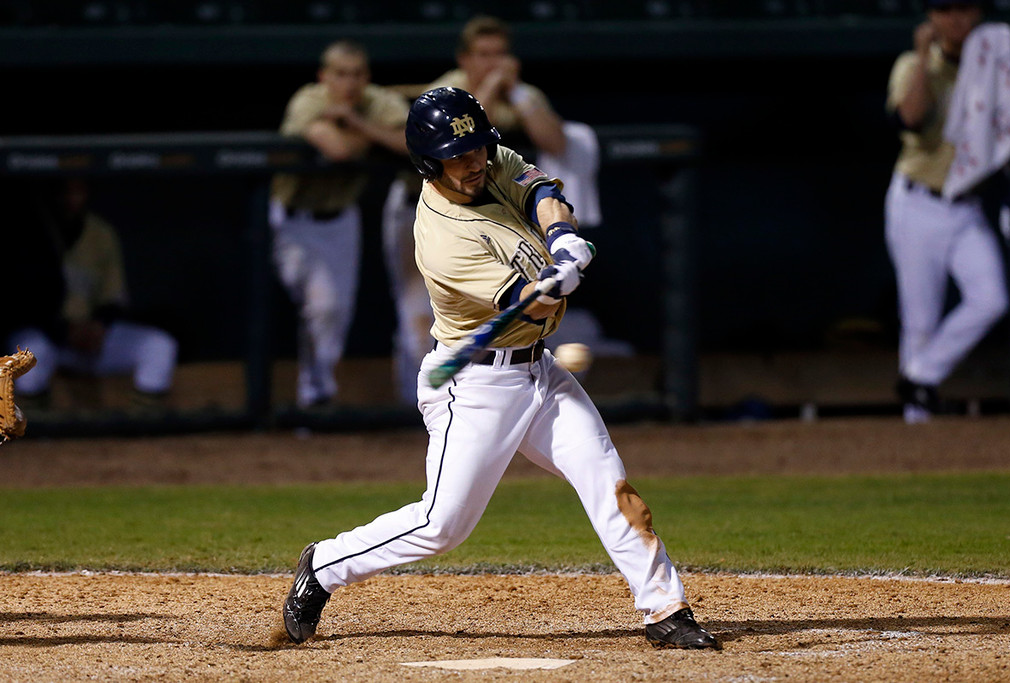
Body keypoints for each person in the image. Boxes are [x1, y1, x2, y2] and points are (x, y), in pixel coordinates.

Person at [282, 87, 719, 651]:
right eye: (457, 156)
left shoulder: (487, 159)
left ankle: (665, 610)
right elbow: (526, 302)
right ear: (427, 161)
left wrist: (562, 239)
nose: (473, 163)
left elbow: (541, 190)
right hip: (477, 385)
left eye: (477, 150)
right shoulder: (442, 238)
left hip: (542, 370)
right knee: (442, 526)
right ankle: (324, 565)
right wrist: (554, 284)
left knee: (608, 483)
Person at [383, 15, 603, 402]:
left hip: (488, 211)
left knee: (499, 301)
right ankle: (407, 403)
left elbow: (555, 142)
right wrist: (488, 88)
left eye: (500, 54)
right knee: (418, 311)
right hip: (425, 212)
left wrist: (515, 92)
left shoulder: (520, 93)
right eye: (483, 55)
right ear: (465, 58)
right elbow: (450, 139)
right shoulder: (443, 94)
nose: (493, 62)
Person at [885, 0, 1009, 424]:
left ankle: (919, 376)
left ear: (979, 14)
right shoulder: (912, 65)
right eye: (944, 9)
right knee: (920, 320)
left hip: (967, 206)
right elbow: (912, 118)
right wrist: (923, 57)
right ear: (931, 17)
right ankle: (916, 429)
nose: (954, 19)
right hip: (919, 202)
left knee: (992, 299)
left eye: (964, 9)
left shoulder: (995, 65)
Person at [270, 40, 409, 408]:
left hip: (338, 221)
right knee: (296, 310)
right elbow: (338, 150)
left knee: (330, 310)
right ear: (324, 76)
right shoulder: (309, 100)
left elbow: (411, 142)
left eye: (357, 74)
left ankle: (315, 398)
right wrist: (370, 133)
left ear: (367, 77)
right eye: (340, 74)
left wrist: (355, 121)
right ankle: (291, 395)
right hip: (289, 218)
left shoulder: (376, 101)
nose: (349, 83)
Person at [5, 178, 178, 407]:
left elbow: (114, 299)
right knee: (29, 351)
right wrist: (62, 330)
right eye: (63, 193)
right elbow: (17, 306)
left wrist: (99, 326)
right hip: (48, 337)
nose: (70, 200)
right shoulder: (23, 234)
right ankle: (35, 422)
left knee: (160, 345)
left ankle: (143, 423)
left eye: (77, 192)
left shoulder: (100, 233)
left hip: (90, 340)